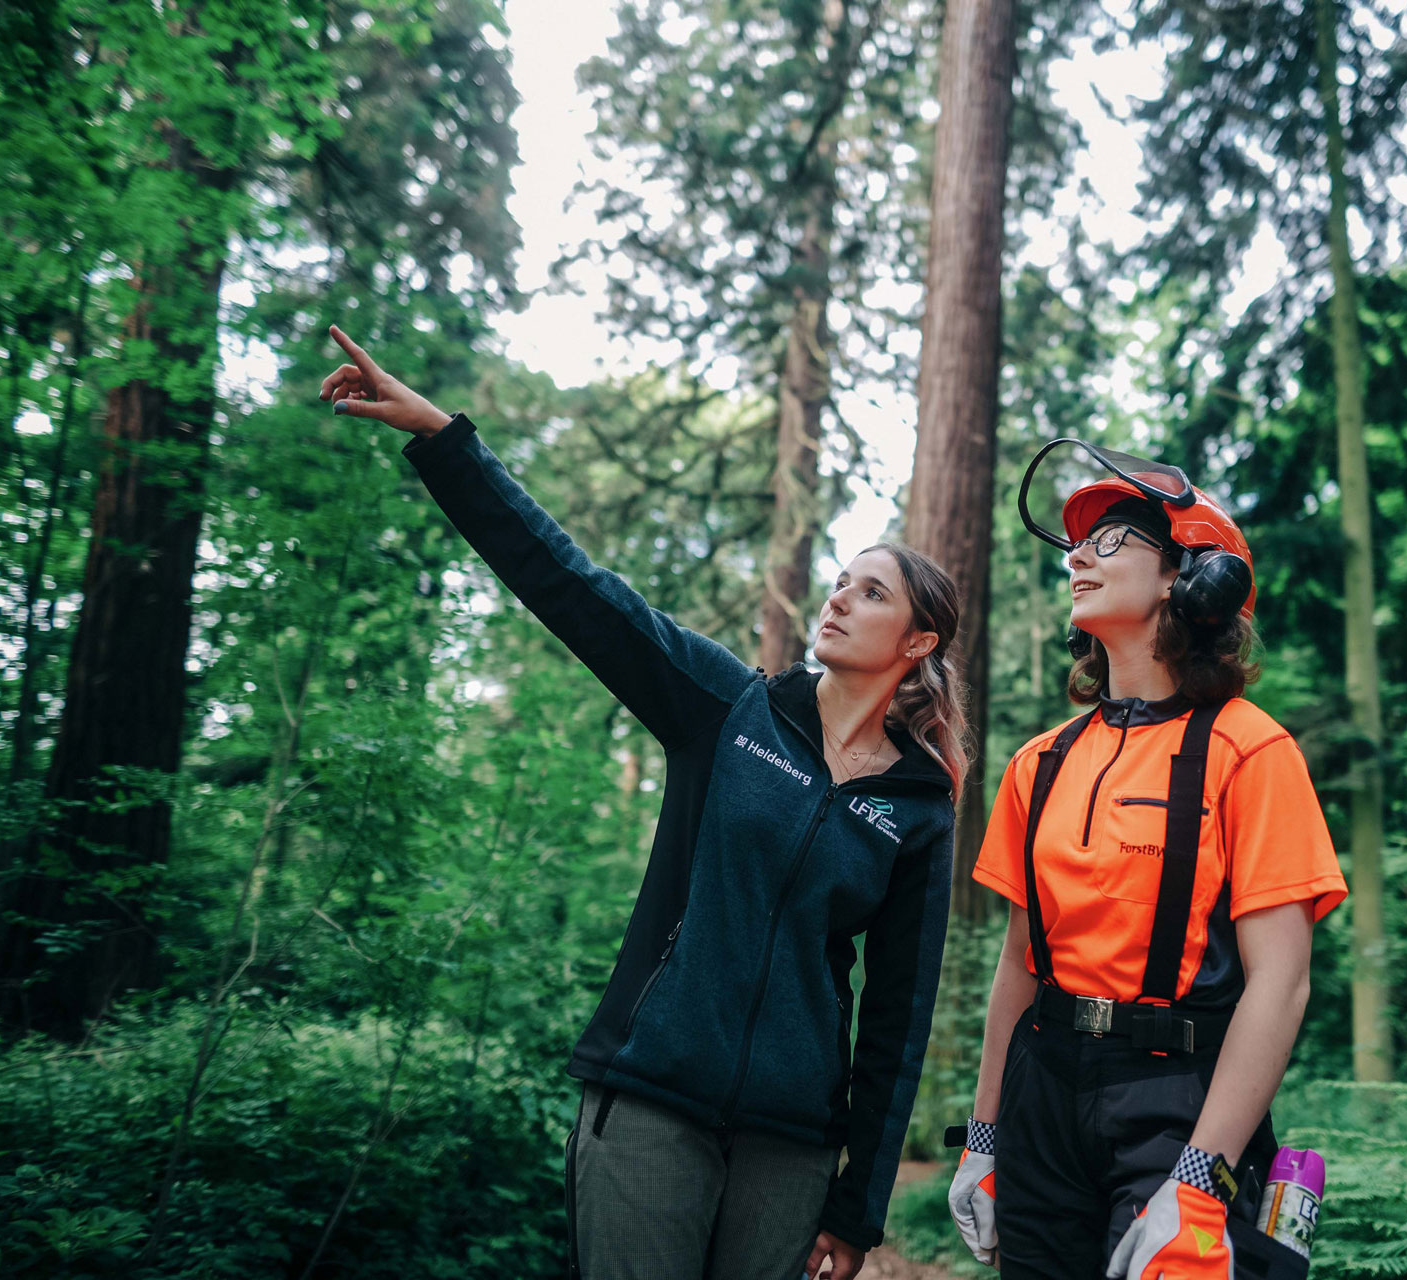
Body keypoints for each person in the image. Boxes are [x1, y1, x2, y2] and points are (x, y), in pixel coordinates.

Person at [319, 325, 966, 1280]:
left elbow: (898, 1018)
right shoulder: (727, 708)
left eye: (869, 593)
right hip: (650, 1104)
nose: (836, 600)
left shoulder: (919, 808)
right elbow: (575, 589)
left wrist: (858, 1204)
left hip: (787, 1148)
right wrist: (439, 436)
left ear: (917, 642)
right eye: (837, 582)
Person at [947, 441, 1347, 1280]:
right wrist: (983, 1142)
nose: (1079, 558)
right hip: (1043, 1087)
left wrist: (1201, 1181)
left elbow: (1284, 982)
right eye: (1077, 545)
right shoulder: (1038, 763)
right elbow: (1017, 969)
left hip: (1182, 1096)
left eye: (1111, 540)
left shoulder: (1252, 751)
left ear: (1186, 576)